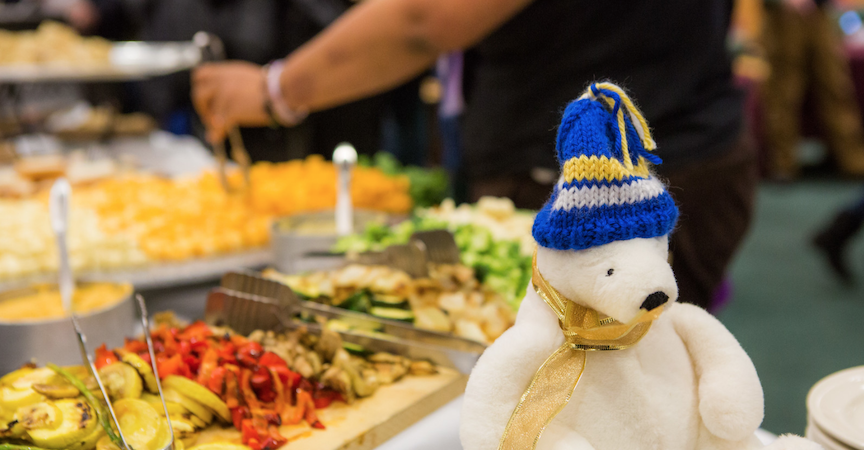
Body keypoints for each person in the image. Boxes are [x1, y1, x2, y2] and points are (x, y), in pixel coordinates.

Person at [192, 0, 757, 310]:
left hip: (607, 182)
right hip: (685, 140)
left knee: (610, 403)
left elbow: (427, 18)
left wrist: (277, 90)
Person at [760, 0, 864, 179]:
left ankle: (851, 160)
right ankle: (782, 163)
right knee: (783, 94)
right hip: (784, 16)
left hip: (819, 13)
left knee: (835, 88)